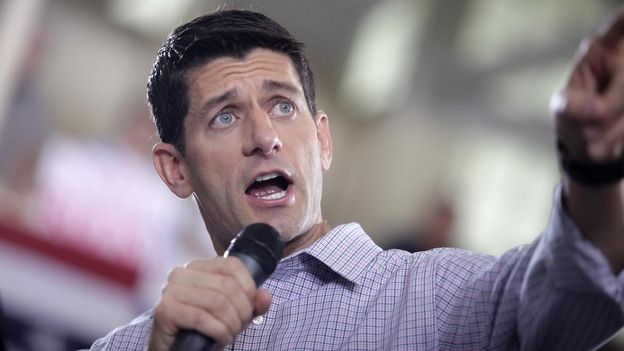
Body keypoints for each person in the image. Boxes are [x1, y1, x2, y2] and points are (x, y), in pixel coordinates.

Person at [86, 7, 624, 351]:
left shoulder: (444, 298)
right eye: (225, 116)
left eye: (282, 105)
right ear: (175, 169)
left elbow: (571, 285)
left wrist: (593, 168)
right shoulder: (132, 347)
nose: (263, 136)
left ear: (322, 140)